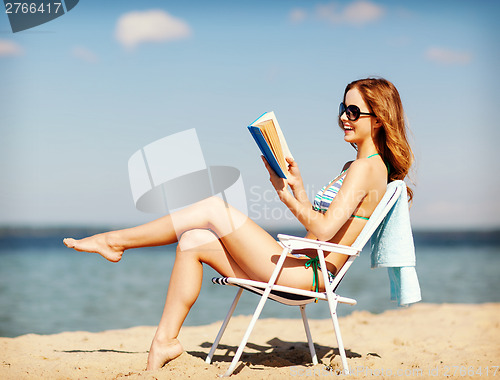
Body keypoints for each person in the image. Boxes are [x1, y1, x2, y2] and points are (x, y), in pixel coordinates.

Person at [63, 77, 414, 370]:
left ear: (379, 118)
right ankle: (164, 343)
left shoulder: (366, 167)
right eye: (342, 108)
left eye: (354, 111)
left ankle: (115, 241)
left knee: (213, 208)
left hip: (306, 275)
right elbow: (324, 224)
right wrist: (293, 187)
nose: (344, 117)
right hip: (299, 264)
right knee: (193, 240)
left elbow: (322, 231)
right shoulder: (358, 167)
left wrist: (288, 199)